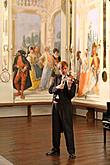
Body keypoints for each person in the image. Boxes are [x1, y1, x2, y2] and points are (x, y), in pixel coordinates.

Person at [46, 61, 76, 159]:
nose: (62, 70)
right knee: (55, 129)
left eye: (64, 68)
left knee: (68, 129)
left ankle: (71, 152)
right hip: (55, 106)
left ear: (67, 68)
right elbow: (50, 90)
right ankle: (55, 149)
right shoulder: (56, 78)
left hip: (65, 107)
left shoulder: (72, 79)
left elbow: (71, 95)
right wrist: (57, 87)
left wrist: (69, 86)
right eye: (60, 69)